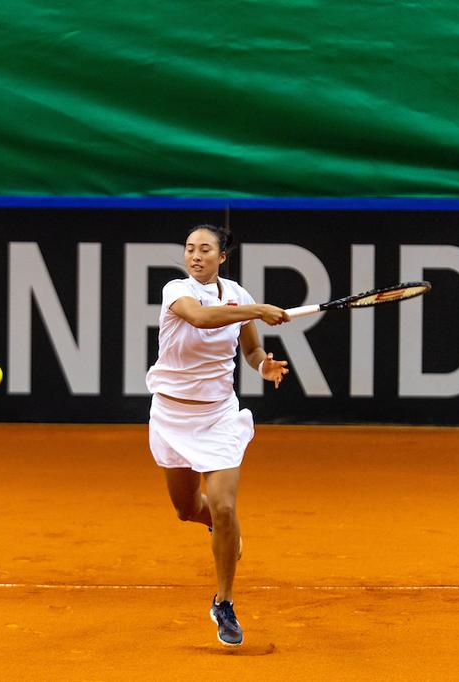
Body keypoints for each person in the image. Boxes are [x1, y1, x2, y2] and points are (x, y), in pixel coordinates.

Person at [145, 223, 290, 647]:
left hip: (219, 418)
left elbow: (250, 349)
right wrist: (257, 309)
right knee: (188, 509)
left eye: (205, 249)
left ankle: (223, 602)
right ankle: (219, 529)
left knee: (225, 506)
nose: (195, 256)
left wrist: (263, 365)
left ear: (222, 256)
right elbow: (202, 318)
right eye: (189, 249)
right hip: (171, 416)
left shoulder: (239, 295)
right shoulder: (177, 290)